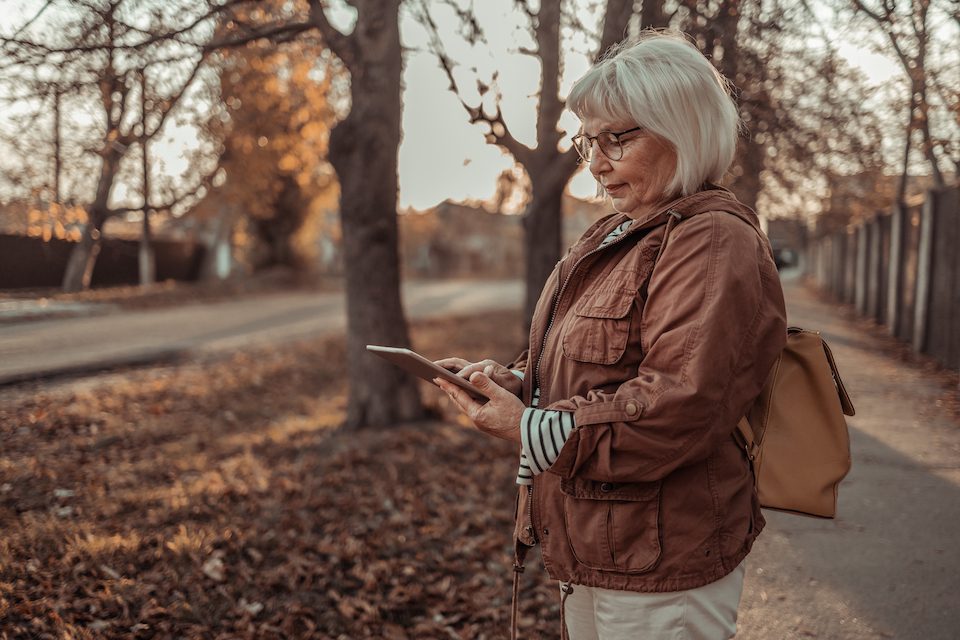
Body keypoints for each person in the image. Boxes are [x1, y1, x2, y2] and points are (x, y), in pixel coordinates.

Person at [434, 31, 787, 640]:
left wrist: (528, 427)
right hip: (594, 543)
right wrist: (515, 383)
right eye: (586, 141)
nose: (595, 164)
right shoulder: (614, 235)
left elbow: (679, 405)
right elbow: (594, 366)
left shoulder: (709, 240)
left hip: (662, 559)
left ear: (681, 128)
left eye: (616, 139)